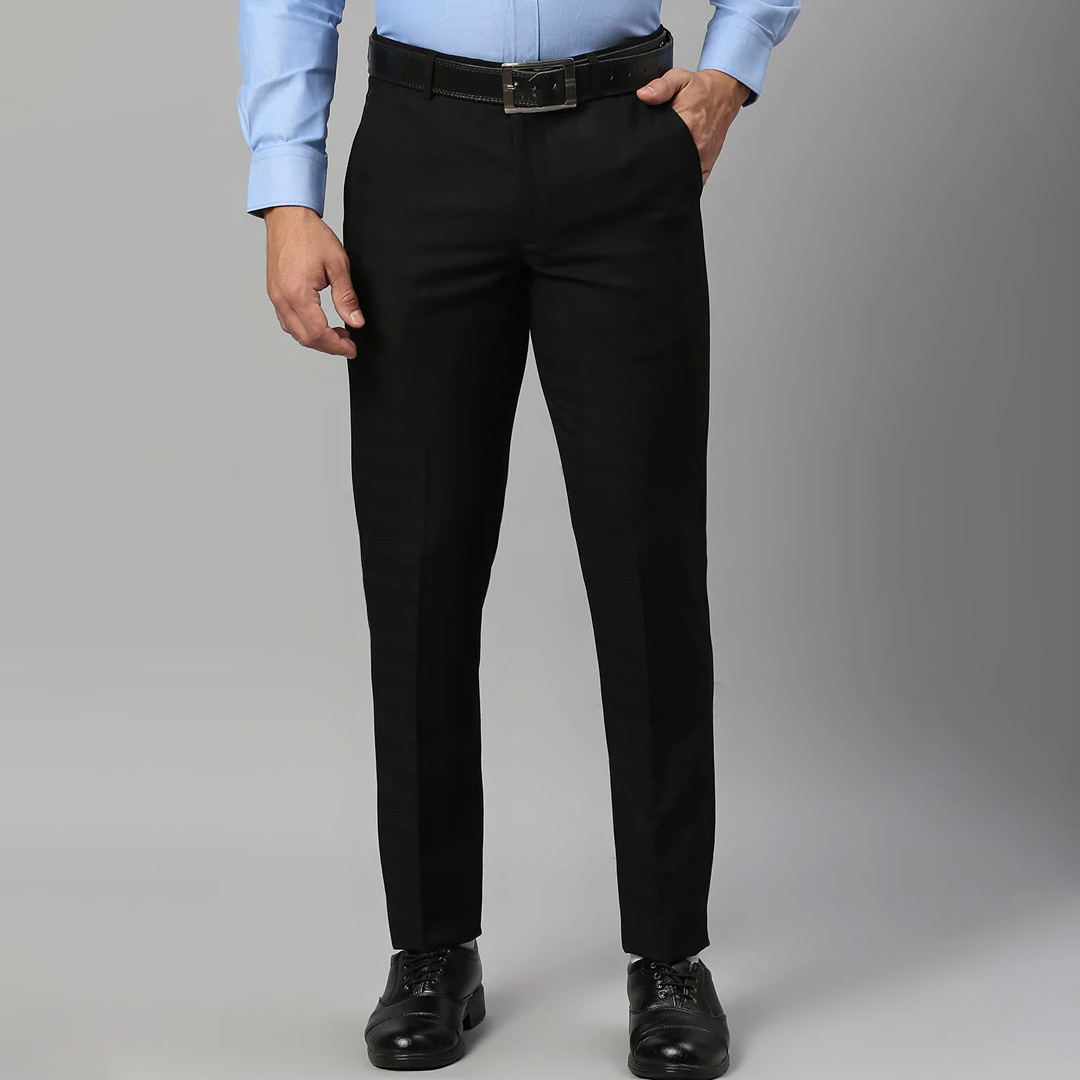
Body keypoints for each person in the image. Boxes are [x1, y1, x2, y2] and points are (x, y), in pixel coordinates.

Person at [236, 3, 800, 1076]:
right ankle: (430, 948)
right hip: (423, 147)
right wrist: (287, 188)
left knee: (650, 570)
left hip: (622, 142)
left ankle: (670, 958)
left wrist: (734, 67)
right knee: (418, 569)